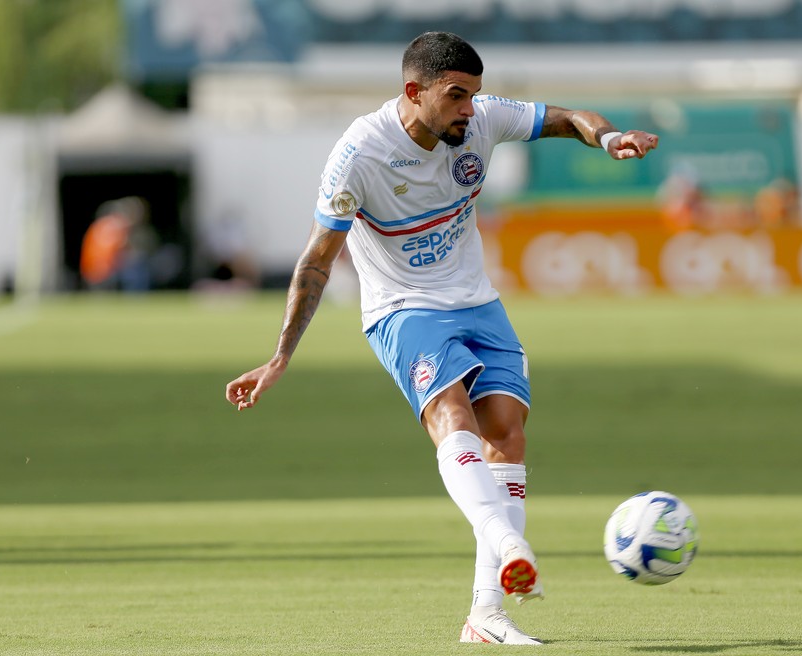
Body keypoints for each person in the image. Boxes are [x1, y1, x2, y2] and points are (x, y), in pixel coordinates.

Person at [225, 31, 658, 646]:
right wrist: (279, 356)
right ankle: (506, 539)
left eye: (474, 96)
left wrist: (608, 137)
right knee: (453, 413)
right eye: (456, 96)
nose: (468, 109)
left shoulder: (478, 120)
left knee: (507, 432)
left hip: (478, 300)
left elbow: (563, 119)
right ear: (414, 91)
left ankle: (487, 614)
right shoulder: (361, 154)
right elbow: (318, 260)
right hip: (403, 308)